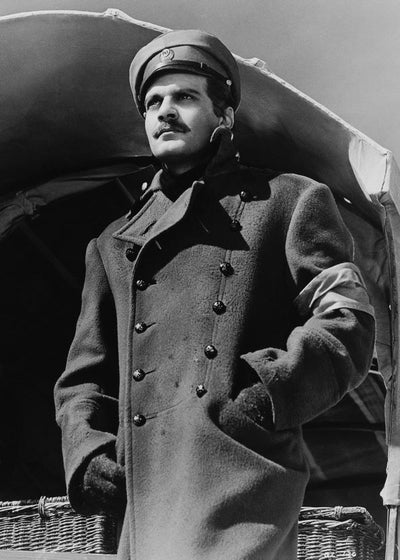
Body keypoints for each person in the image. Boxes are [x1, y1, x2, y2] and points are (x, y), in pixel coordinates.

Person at [54, 29, 375, 560]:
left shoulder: (290, 200)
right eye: (153, 102)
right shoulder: (112, 243)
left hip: (242, 477)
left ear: (223, 115)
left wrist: (260, 396)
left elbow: (346, 320)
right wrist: (87, 450)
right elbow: (84, 376)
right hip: (144, 493)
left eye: (185, 96)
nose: (165, 111)